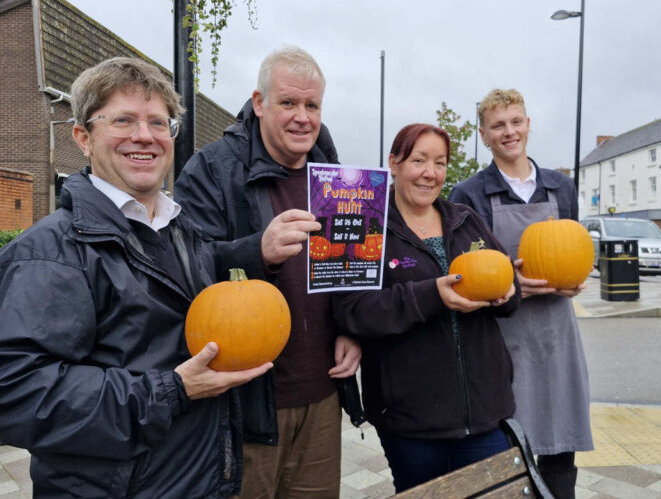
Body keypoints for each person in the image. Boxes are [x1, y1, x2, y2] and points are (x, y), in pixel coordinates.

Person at [0, 57, 272, 498]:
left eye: (158, 123)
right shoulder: (49, 251)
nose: (144, 136)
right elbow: (16, 392)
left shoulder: (185, 233)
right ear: (83, 138)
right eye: (123, 120)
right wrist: (170, 390)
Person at [174, 46, 364, 498]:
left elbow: (349, 274)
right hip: (248, 400)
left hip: (322, 396)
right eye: (288, 103)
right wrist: (256, 252)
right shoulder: (212, 168)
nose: (302, 117)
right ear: (259, 103)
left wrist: (353, 329)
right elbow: (185, 263)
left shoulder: (337, 178)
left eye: (312, 105)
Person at [333, 123, 520, 493]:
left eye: (439, 162)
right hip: (410, 421)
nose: (430, 173)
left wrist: (507, 293)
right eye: (419, 160)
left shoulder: (466, 220)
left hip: (484, 414)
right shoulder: (367, 223)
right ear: (394, 163)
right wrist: (432, 295)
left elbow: (509, 294)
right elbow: (352, 309)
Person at [450, 88, 593, 499]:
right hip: (500, 337)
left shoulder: (560, 187)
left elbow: (572, 249)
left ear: (528, 124)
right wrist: (507, 286)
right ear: (484, 135)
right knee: (508, 450)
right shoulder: (469, 195)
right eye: (498, 125)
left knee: (560, 446)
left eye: (516, 121)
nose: (509, 132)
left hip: (556, 336)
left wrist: (574, 279)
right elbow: (462, 273)